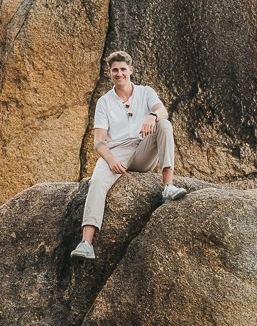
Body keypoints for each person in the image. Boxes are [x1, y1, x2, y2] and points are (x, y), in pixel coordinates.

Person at [73, 51, 184, 260]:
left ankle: (168, 186)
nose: (119, 73)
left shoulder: (145, 92)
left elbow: (163, 111)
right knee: (97, 182)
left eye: (123, 69)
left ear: (130, 70)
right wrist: (111, 159)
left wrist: (152, 116)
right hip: (116, 152)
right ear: (109, 73)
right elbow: (99, 141)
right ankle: (86, 243)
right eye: (115, 70)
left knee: (165, 125)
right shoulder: (104, 102)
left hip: (144, 148)